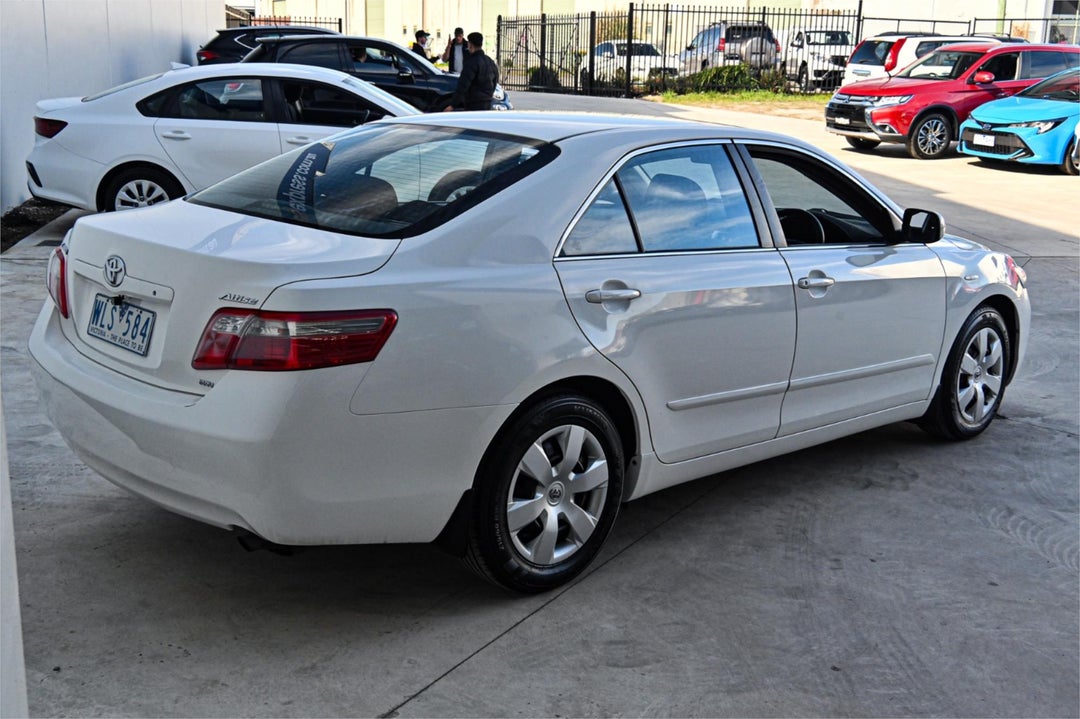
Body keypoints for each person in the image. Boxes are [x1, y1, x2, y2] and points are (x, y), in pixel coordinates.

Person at [444, 32, 499, 111]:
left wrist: (453, 105)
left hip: (473, 103)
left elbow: (463, 86)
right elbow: (495, 80)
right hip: (487, 103)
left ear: (470, 45)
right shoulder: (490, 61)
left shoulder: (471, 63)